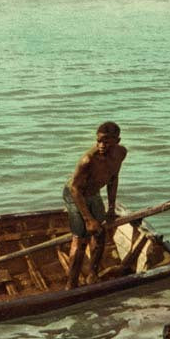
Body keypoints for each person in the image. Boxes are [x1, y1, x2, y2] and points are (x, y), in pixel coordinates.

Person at [63, 121, 127, 289]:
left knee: (100, 235)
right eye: (98, 141)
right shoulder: (88, 160)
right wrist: (88, 219)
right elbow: (75, 189)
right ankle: (71, 283)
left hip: (94, 194)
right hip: (75, 195)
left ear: (117, 141)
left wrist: (112, 208)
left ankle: (92, 274)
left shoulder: (121, 153)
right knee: (81, 238)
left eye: (106, 141)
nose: (101, 145)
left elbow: (113, 179)